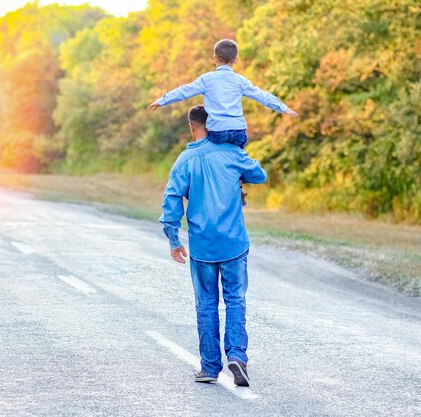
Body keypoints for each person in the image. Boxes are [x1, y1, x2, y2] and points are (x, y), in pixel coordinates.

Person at [160, 105, 267, 386]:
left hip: (203, 247)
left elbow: (172, 200)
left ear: (191, 127)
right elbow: (259, 175)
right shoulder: (232, 153)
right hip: (233, 243)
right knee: (235, 299)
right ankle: (237, 357)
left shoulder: (185, 160)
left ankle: (209, 367)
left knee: (206, 303)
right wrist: (237, 170)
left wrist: (173, 239)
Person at [148, 39, 297, 206]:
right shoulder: (240, 80)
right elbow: (261, 95)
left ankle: (211, 183)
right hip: (238, 130)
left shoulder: (207, 79)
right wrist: (282, 107)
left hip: (217, 131)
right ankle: (238, 188)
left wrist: (162, 100)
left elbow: (185, 91)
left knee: (212, 153)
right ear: (236, 60)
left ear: (214, 58)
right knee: (238, 158)